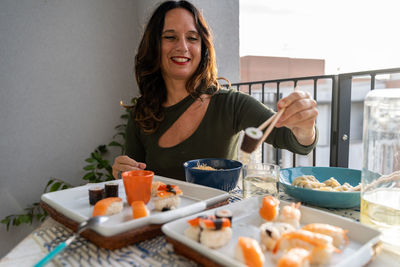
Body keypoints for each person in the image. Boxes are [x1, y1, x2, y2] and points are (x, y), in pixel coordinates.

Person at [112, 0, 318, 181]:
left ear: (203, 48)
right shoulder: (140, 112)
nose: (182, 46)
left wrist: (305, 127)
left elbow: (293, 140)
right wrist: (123, 171)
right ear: (154, 46)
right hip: (162, 222)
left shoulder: (232, 104)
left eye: (192, 38)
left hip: (219, 221)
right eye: (170, 37)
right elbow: (134, 178)